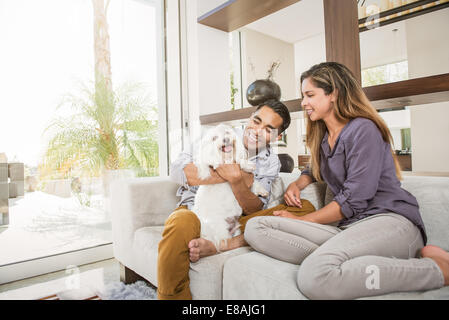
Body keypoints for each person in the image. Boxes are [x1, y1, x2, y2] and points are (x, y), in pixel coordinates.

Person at [244, 62, 449, 299]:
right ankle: (344, 256)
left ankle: (436, 269)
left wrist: (305, 222)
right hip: (348, 229)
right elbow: (315, 168)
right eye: (303, 96)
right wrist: (297, 183)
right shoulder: (324, 137)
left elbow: (354, 199)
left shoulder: (363, 129)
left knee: (315, 277)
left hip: (389, 221)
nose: (303, 103)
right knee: (256, 228)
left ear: (334, 94)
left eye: (310, 95)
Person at [157, 99, 316, 300]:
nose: (256, 131)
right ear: (250, 117)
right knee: (179, 222)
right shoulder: (216, 134)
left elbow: (254, 209)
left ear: (277, 137)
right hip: (196, 212)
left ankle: (221, 244)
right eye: (256, 121)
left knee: (306, 209)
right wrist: (234, 174)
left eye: (268, 129)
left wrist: (237, 181)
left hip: (236, 221)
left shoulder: (270, 161)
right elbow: (178, 171)